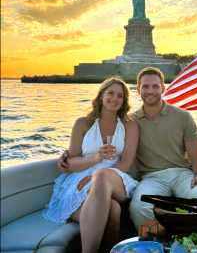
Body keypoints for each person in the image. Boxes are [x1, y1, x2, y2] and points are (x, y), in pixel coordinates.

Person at [58, 67, 197, 231]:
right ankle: (157, 244)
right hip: (152, 178)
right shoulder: (130, 122)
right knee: (139, 208)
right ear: (138, 90)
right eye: (145, 86)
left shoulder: (183, 116)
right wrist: (67, 155)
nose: (150, 91)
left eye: (155, 86)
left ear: (163, 88)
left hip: (183, 175)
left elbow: (196, 156)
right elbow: (101, 134)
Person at [43, 78, 139, 253]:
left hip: (116, 177)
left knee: (101, 175)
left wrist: (97, 176)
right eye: (110, 93)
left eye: (120, 96)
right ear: (101, 95)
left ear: (124, 101)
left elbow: (126, 163)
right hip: (81, 179)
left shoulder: (129, 125)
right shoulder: (82, 123)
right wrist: (95, 158)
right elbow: (71, 162)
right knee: (113, 210)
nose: (114, 98)